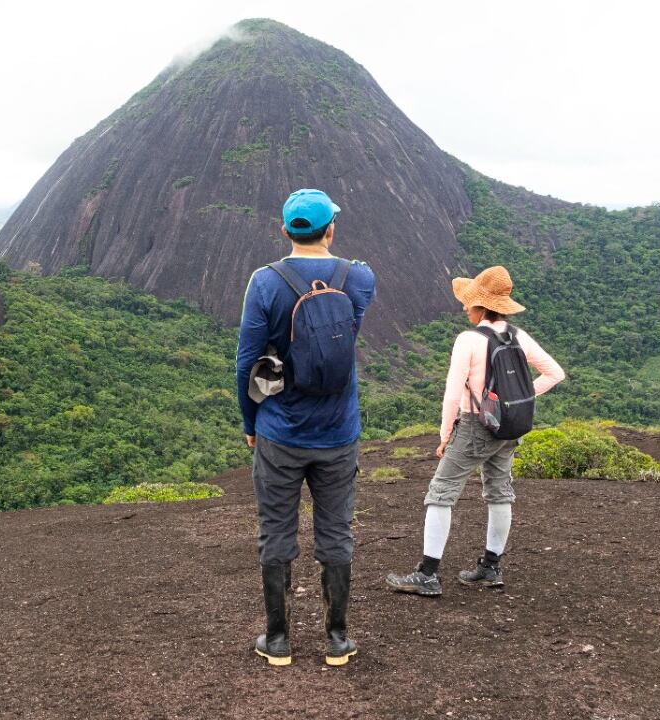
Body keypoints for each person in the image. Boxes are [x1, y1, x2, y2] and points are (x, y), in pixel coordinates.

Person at [236, 188, 376, 667]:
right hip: (339, 432)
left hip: (279, 430)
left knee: (276, 530)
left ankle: (277, 640)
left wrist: (250, 421)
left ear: (284, 230)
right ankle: (337, 639)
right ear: (330, 229)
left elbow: (246, 362)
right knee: (335, 531)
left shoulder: (264, 282)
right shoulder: (358, 277)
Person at [386, 265, 564, 596]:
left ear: (481, 307)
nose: (464, 308)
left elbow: (452, 393)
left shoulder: (468, 339)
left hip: (476, 425)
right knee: (499, 491)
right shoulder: (516, 335)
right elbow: (554, 373)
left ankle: (427, 574)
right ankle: (491, 567)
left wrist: (444, 435)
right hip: (510, 427)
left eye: (469, 303)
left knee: (440, 492)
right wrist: (513, 401)